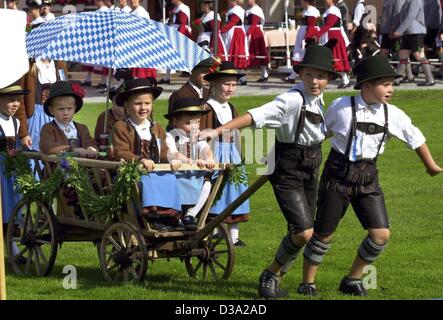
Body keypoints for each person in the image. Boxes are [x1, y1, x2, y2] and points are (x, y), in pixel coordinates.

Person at [199, 45, 338, 299]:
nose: (315, 81)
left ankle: (276, 278)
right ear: (301, 74)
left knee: (303, 231)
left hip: (311, 167)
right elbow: (254, 116)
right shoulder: (291, 99)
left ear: (328, 79)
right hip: (288, 170)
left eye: (321, 76)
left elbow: (318, 132)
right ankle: (270, 275)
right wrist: (218, 131)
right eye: (309, 75)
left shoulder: (318, 100)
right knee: (303, 231)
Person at [300, 55, 442, 297]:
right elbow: (318, 133)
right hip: (337, 177)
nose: (390, 89)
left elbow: (416, 138)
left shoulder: (393, 114)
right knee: (324, 234)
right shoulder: (342, 106)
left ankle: (352, 279)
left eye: (392, 84)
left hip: (368, 180)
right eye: (385, 84)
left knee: (380, 234)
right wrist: (298, 156)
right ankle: (307, 283)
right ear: (366, 85)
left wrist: (431, 166)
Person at [112, 78, 184, 232]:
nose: (143, 107)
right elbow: (121, 151)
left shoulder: (155, 127)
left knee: (171, 178)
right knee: (147, 179)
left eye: (147, 103)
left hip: (155, 170)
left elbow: (163, 150)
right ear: (126, 106)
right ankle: (153, 216)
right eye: (138, 104)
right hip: (130, 172)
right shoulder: (122, 126)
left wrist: (171, 158)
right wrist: (140, 160)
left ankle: (171, 216)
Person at [198, 61, 251, 247]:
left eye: (233, 85)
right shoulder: (206, 108)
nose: (230, 89)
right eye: (226, 84)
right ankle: (211, 230)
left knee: (236, 190)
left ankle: (233, 236)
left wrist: (239, 155)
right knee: (215, 191)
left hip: (232, 154)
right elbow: (201, 135)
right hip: (214, 153)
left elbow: (236, 132)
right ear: (213, 84)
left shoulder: (231, 108)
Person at [164, 98, 216, 230]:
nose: (194, 127)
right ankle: (177, 217)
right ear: (175, 121)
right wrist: (190, 161)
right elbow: (173, 153)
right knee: (173, 184)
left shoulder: (195, 136)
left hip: (192, 173)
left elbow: (205, 148)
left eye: (197, 123)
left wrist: (209, 158)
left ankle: (191, 213)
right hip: (177, 172)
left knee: (207, 184)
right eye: (188, 123)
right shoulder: (170, 136)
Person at [0, 85, 29, 259]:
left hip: (11, 171)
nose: (15, 104)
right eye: (11, 100)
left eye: (18, 100)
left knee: (12, 206)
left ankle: (12, 246)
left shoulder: (15, 122)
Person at [39, 81, 98, 158]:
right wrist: (71, 150)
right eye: (61, 109)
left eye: (69, 108)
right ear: (51, 110)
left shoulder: (82, 128)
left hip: (82, 168)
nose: (65, 113)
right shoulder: (48, 128)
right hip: (57, 168)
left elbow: (91, 143)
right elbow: (48, 147)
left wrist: (91, 149)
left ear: (75, 108)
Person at [392, 0, 435, 86]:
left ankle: (430, 79)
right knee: (403, 55)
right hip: (407, 32)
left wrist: (399, 30)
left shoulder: (416, 0)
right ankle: (398, 79)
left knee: (418, 55)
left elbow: (410, 16)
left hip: (416, 32)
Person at [167, 57, 213, 129]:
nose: (207, 75)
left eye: (209, 72)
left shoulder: (209, 93)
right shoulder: (180, 94)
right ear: (191, 71)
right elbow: (172, 125)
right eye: (204, 72)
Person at [317, 0, 351, 88]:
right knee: (331, 58)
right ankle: (344, 80)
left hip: (334, 35)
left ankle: (345, 80)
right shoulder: (330, 10)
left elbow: (329, 24)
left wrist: (318, 34)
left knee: (336, 57)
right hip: (330, 35)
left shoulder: (334, 10)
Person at [286, 0, 321, 83]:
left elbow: (311, 26)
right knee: (300, 53)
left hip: (307, 33)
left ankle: (294, 76)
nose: (301, 2)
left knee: (302, 53)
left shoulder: (312, 11)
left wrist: (308, 37)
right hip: (304, 32)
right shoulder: (307, 10)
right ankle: (293, 75)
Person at [159, 0, 192, 85]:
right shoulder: (176, 8)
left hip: (181, 33)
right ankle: (167, 76)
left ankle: (193, 77)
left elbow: (183, 23)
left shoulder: (183, 8)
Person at [94, 84, 126, 159]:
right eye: (118, 104)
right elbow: (99, 141)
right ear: (112, 101)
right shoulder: (104, 117)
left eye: (124, 105)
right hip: (106, 154)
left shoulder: (131, 117)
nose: (121, 109)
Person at [220, 0, 248, 85]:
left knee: (237, 54)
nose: (229, 2)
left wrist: (221, 30)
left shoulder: (237, 10)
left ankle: (242, 78)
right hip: (233, 33)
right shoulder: (233, 10)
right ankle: (237, 77)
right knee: (233, 54)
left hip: (236, 34)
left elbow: (233, 22)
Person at [129, 0, 157, 81]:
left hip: (141, 43)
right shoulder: (132, 11)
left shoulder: (141, 12)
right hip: (133, 42)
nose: (132, 1)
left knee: (141, 70)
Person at [245, 0, 269, 82]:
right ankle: (264, 74)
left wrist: (247, 33)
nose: (248, 1)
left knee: (260, 53)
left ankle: (264, 74)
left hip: (255, 33)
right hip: (251, 31)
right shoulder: (249, 9)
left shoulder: (256, 10)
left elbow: (254, 23)